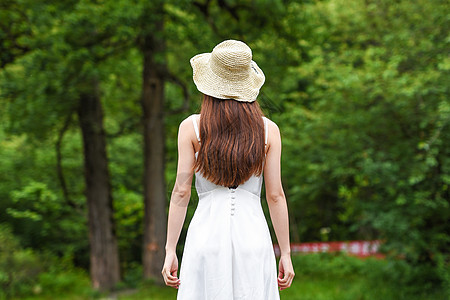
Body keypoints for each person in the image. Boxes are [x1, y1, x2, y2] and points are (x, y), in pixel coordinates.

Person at [162, 40, 294, 299]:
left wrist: (169, 250)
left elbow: (181, 192)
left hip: (205, 235)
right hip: (253, 237)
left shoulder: (191, 128)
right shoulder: (269, 131)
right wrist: (286, 253)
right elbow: (275, 195)